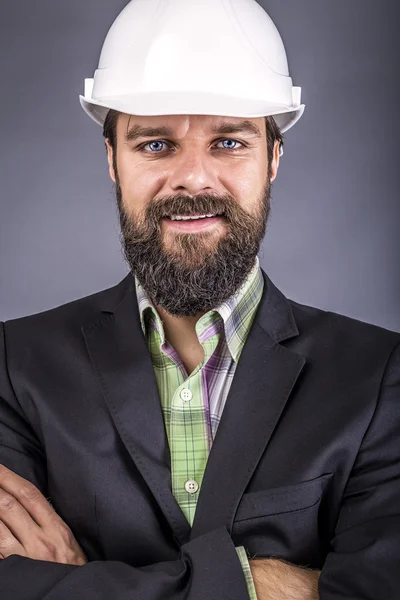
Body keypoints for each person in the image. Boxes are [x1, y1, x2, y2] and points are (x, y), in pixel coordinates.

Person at [0, 0, 399, 598]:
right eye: (156, 145)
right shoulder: (13, 365)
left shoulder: (379, 378)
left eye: (229, 143)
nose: (193, 178)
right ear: (112, 159)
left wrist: (83, 586)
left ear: (274, 159)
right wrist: (269, 586)